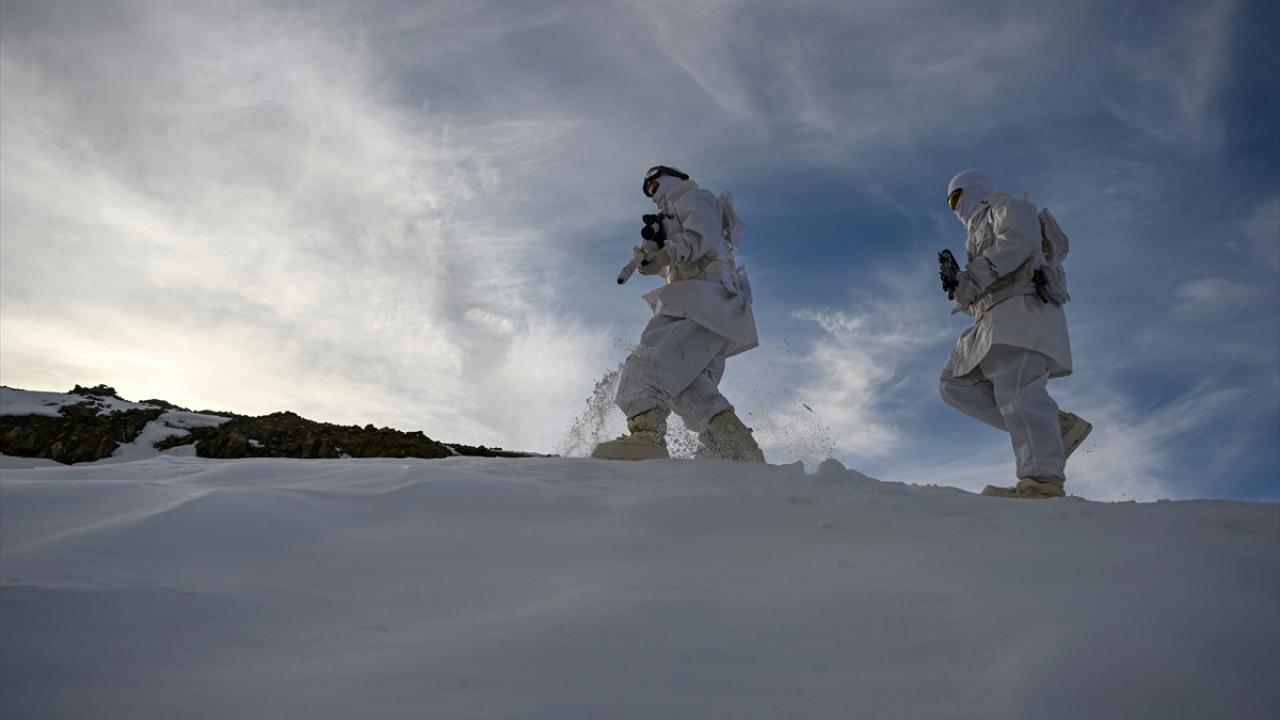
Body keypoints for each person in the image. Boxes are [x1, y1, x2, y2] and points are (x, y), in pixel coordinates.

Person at [591, 165, 765, 463]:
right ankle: (733, 446)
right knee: (687, 385)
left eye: (654, 183)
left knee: (647, 362)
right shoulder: (673, 213)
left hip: (701, 302)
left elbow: (702, 240)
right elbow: (689, 258)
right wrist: (655, 261)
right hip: (712, 305)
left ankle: (646, 438)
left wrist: (667, 251)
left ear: (673, 178)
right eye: (647, 190)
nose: (650, 190)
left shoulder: (695, 198)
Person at [937, 169, 1092, 498]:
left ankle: (1041, 482)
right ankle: (1057, 427)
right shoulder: (974, 236)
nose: (954, 208)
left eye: (955, 197)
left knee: (1018, 390)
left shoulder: (1006, 207)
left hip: (1023, 309)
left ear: (973, 189)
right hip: (992, 320)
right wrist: (959, 289)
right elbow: (986, 282)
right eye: (949, 202)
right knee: (954, 384)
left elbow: (1017, 243)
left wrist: (972, 278)